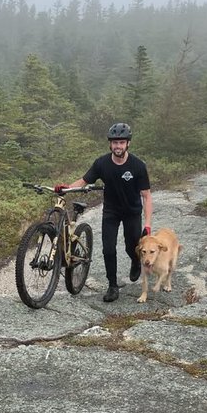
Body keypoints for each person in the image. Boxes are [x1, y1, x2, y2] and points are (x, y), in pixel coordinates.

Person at [55, 122, 152, 303]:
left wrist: (147, 224)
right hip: (111, 212)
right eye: (115, 143)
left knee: (133, 247)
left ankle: (135, 260)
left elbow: (146, 196)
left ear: (128, 144)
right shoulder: (102, 163)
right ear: (110, 144)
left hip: (132, 212)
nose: (118, 146)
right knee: (108, 249)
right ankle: (112, 285)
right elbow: (84, 180)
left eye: (122, 142)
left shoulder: (138, 165)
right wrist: (67, 188)